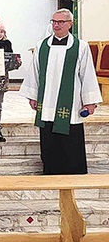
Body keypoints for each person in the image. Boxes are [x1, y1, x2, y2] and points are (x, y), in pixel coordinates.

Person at [19, 9, 102, 175]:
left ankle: (74, 171)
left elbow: (87, 74)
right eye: (54, 21)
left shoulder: (80, 46)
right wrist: (33, 95)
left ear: (70, 24)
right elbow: (35, 71)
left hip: (70, 103)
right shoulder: (41, 45)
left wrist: (89, 101)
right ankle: (51, 170)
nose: (56, 25)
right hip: (47, 102)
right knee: (49, 136)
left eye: (61, 22)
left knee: (70, 137)